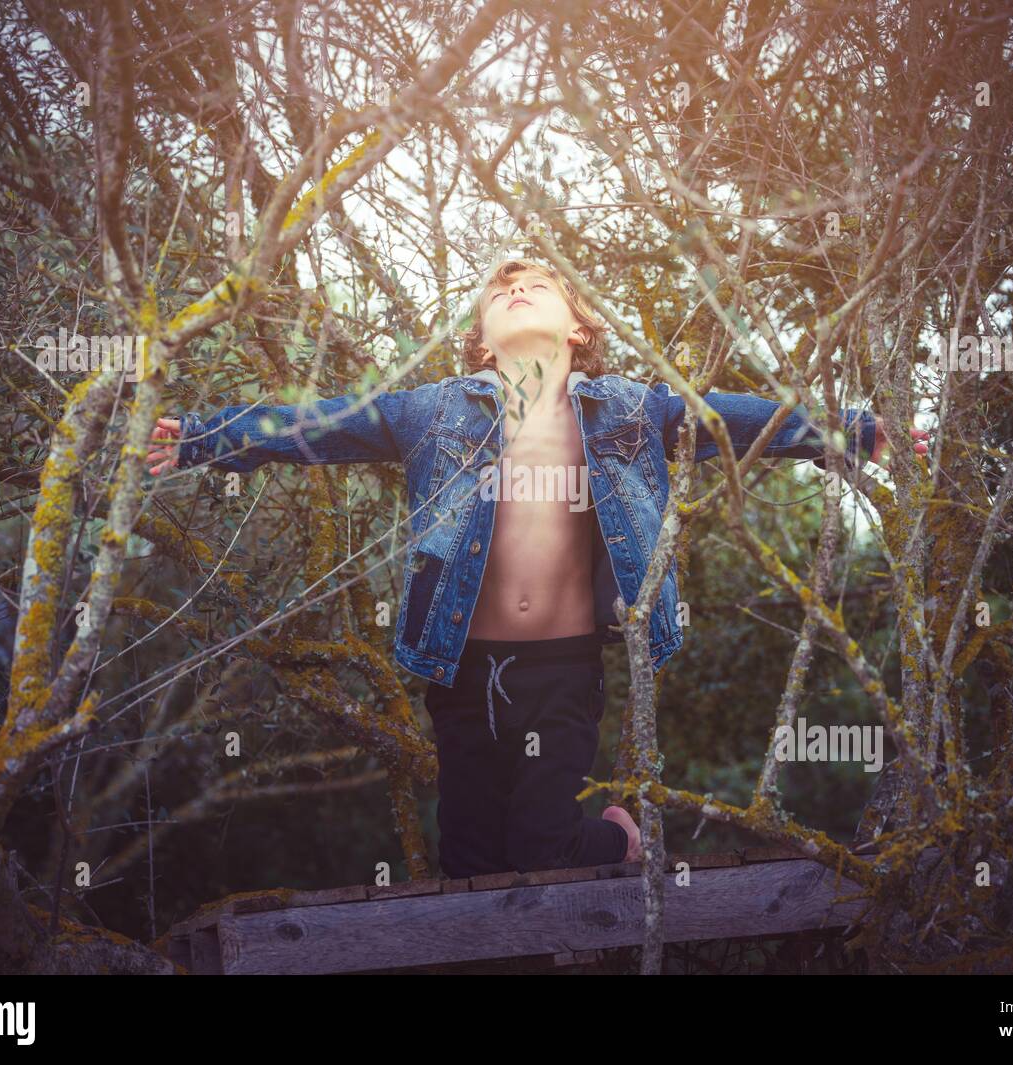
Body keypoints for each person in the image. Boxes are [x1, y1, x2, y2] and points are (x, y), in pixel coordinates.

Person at [146, 258, 930, 878]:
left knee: (545, 846)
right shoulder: (433, 410)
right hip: (458, 668)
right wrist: (203, 438)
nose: (518, 291)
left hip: (561, 668)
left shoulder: (630, 406)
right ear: (484, 341)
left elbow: (743, 419)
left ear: (578, 326)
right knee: (471, 862)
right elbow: (320, 425)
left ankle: (617, 842)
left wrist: (854, 433)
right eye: (502, 291)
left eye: (538, 286)